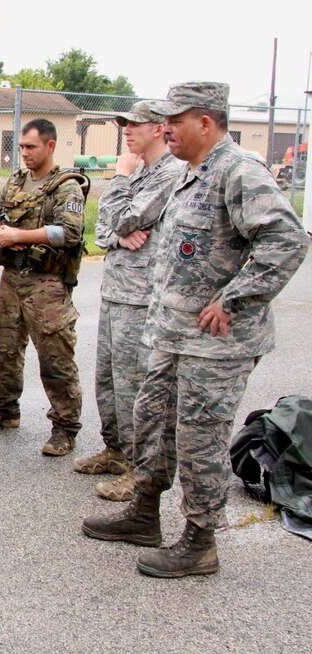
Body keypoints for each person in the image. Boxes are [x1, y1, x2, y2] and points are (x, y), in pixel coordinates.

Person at [82, 82, 309, 578]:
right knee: (151, 423)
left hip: (216, 346)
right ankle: (144, 514)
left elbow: (287, 240)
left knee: (198, 441)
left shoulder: (238, 170)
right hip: (172, 335)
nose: (165, 130)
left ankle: (200, 541)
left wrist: (234, 298)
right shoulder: (189, 174)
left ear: (205, 122)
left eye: (175, 121)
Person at [72, 101, 183, 501]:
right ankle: (116, 450)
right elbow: (103, 229)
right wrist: (120, 235)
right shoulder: (142, 173)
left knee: (135, 386)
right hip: (116, 292)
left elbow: (122, 218)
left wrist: (119, 180)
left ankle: (140, 470)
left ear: (158, 129)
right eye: (125, 124)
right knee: (108, 380)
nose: (127, 131)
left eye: (135, 125)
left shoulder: (169, 174)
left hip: (143, 298)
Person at [0, 118, 87, 456]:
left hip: (46, 283)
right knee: (5, 347)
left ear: (50, 146)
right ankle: (5, 408)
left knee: (54, 357)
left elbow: (71, 232)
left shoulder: (66, 186)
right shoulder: (16, 181)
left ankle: (64, 428)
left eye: (30, 147)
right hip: (12, 279)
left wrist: (19, 235)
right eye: (21, 147)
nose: (24, 153)